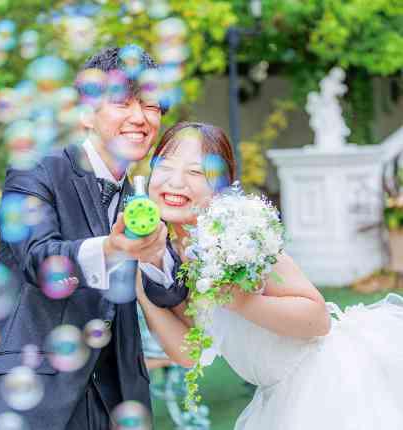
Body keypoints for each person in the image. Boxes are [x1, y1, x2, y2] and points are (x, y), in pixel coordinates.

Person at [0, 46, 188, 430]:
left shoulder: (145, 196)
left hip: (119, 403)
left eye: (151, 106)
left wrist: (157, 257)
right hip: (32, 399)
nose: (140, 117)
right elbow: (39, 259)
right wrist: (112, 247)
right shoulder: (36, 167)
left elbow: (167, 296)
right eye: (122, 102)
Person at [137, 121, 403, 430]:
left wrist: (238, 300)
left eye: (195, 172)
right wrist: (141, 281)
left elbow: (318, 319)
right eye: (165, 166)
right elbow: (189, 352)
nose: (175, 181)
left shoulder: (237, 234)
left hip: (324, 379)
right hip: (276, 395)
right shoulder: (168, 256)